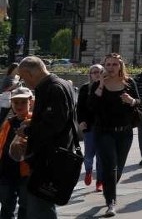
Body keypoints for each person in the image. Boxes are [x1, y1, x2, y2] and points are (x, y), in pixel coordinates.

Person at [9, 56, 76, 219]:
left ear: (31, 73)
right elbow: (57, 119)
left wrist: (28, 131)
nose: (25, 83)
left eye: (24, 78)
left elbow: (54, 124)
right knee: (41, 205)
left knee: (39, 208)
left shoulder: (53, 88)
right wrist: (33, 123)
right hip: (52, 155)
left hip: (49, 158)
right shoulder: (61, 84)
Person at [89, 53, 141, 217]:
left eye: (114, 65)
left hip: (124, 132)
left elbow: (138, 101)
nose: (111, 68)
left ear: (120, 66)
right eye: (108, 65)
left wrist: (131, 101)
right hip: (104, 131)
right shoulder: (98, 85)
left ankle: (108, 187)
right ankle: (111, 202)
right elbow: (91, 106)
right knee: (111, 166)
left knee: (118, 168)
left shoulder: (129, 83)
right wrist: (101, 85)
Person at [0, 86, 33, 219]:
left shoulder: (34, 121)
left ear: (30, 102)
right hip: (6, 172)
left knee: (25, 206)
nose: (19, 105)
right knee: (6, 206)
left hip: (25, 172)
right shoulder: (8, 123)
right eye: (16, 102)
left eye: (23, 102)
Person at [77, 63, 105, 191]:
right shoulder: (85, 88)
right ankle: (88, 171)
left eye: (99, 71)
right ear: (90, 75)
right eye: (94, 72)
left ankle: (100, 181)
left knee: (101, 154)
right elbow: (80, 108)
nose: (97, 74)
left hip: (103, 126)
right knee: (89, 154)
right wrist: (81, 121)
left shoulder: (107, 87)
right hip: (90, 125)